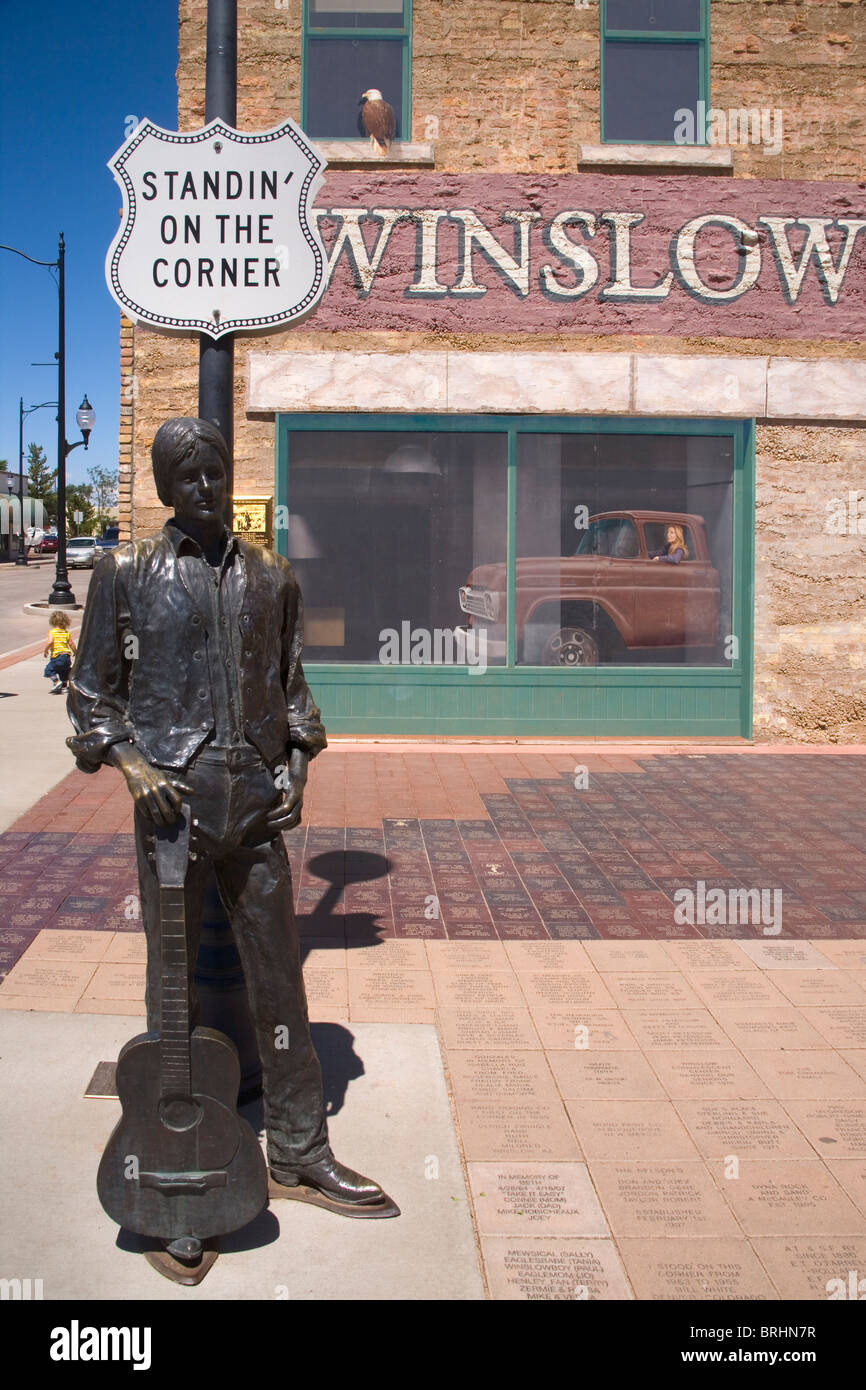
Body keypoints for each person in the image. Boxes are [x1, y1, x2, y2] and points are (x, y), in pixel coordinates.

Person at [66, 417, 396, 1235]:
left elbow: (292, 689)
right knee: (168, 991)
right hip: (170, 806)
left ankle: (297, 1144)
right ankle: (165, 1148)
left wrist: (299, 762)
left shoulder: (272, 576)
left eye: (214, 473)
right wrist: (133, 766)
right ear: (163, 487)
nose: (205, 489)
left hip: (252, 804)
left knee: (279, 975)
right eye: (187, 478)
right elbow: (89, 694)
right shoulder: (124, 571)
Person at [43, 610, 76, 692]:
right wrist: (75, 652)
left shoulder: (52, 632)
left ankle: (56, 682)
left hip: (57, 656)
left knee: (49, 670)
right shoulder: (66, 633)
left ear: (52, 621)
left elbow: (50, 641)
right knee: (64, 671)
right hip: (66, 656)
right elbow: (71, 643)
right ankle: (64, 686)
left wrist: (45, 650)